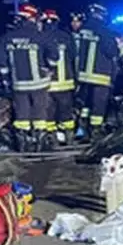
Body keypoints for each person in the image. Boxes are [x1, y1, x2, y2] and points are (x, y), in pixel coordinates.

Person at [0, 3, 56, 152]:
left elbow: (1, 60)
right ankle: (39, 140)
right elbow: (54, 54)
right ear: (32, 18)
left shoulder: (7, 37)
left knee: (22, 112)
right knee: (40, 110)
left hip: (18, 84)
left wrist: (5, 79)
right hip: (39, 83)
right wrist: (49, 67)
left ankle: (22, 142)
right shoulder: (40, 36)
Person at [73, 3, 120, 140]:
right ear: (102, 15)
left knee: (86, 102)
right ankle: (95, 130)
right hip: (100, 74)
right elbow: (111, 52)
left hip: (83, 74)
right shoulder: (104, 31)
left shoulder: (83, 29)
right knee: (99, 103)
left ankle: (83, 128)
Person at [40, 9, 78, 145]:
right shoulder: (66, 36)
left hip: (47, 85)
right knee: (66, 113)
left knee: (49, 114)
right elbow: (73, 56)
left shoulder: (40, 37)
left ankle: (52, 139)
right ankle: (68, 137)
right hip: (66, 83)